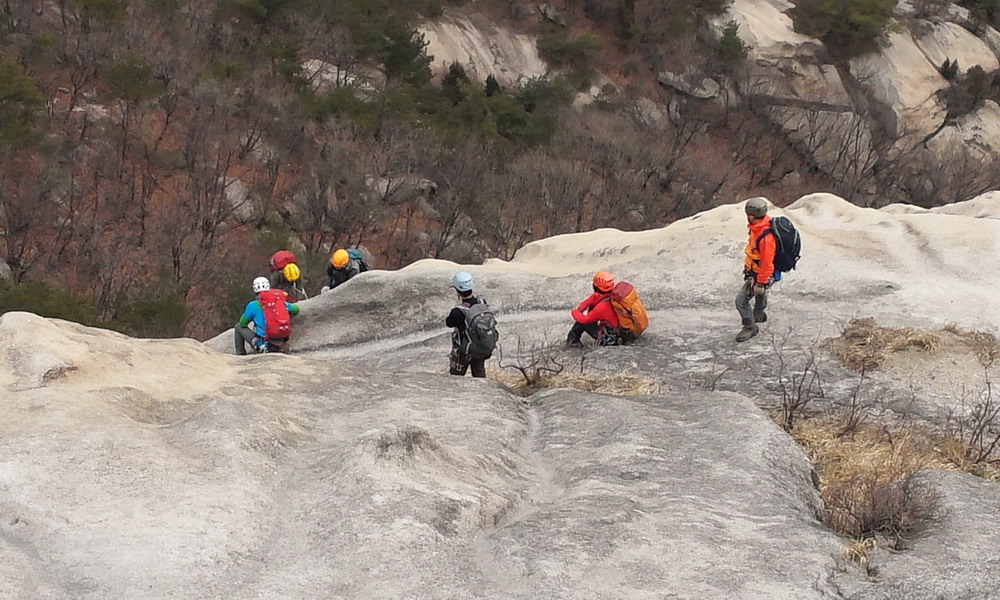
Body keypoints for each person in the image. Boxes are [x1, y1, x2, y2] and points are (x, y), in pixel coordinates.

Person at [735, 197, 776, 342]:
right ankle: (759, 312)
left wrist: (760, 282)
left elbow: (767, 263)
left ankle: (750, 327)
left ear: (751, 215)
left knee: (740, 301)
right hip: (755, 270)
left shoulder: (765, 237)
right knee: (759, 293)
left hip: (760, 273)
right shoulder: (758, 228)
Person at [234, 277, 300, 355]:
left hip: (262, 343)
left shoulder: (253, 305)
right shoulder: (278, 302)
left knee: (238, 327)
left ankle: (240, 353)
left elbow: (242, 323)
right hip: (280, 340)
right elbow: (296, 309)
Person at [446, 271, 492, 378]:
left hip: (463, 349)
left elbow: (449, 323)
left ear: (458, 290)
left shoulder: (457, 312)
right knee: (479, 375)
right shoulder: (482, 303)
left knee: (455, 378)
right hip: (481, 346)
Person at [566, 270, 622, 347]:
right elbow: (593, 298)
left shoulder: (602, 307)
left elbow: (584, 320)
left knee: (581, 322)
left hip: (611, 339)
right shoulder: (611, 296)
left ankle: (572, 343)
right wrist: (582, 307)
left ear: (595, 286)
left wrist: (574, 311)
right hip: (618, 332)